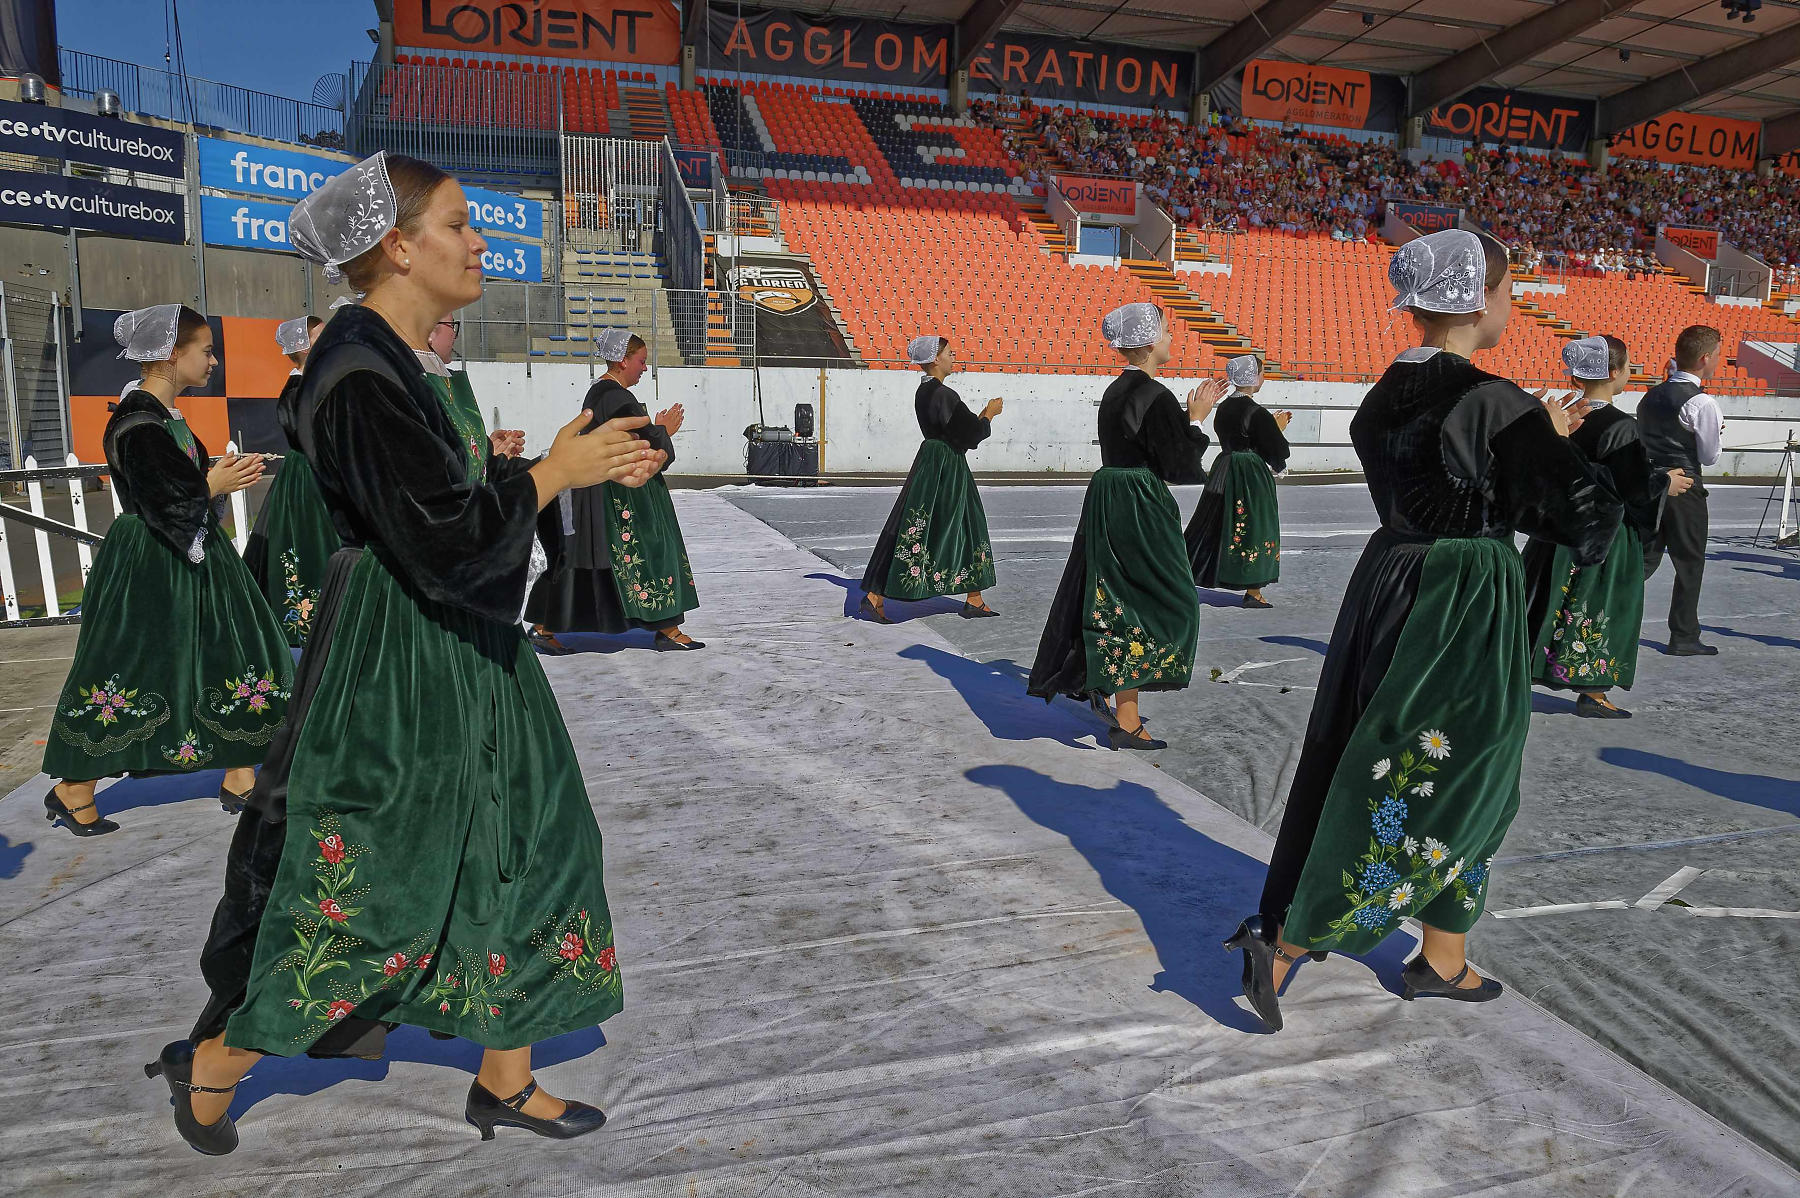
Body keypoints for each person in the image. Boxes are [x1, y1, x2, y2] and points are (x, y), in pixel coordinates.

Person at [156, 152, 667, 1154]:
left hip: (464, 644)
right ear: (399, 246)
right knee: (374, 888)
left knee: (533, 841)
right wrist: (555, 474)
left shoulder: (387, 359)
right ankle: (219, 1057)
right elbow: (446, 542)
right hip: (403, 658)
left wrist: (563, 459)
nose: (480, 241)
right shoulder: (354, 372)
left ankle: (507, 1075)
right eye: (460, 222)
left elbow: (444, 501)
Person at [1226, 230, 1622, 1031]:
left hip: (1390, 576)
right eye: (1509, 294)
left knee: (1369, 748)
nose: (1510, 307)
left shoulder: (1384, 396)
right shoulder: (1492, 399)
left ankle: (1441, 956)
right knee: (1467, 771)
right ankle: (1294, 939)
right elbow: (1585, 520)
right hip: (1463, 595)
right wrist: (1555, 442)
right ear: (1479, 300)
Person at [41, 305, 291, 832]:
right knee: (133, 664)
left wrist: (213, 476)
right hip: (154, 560)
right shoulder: (137, 423)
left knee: (228, 652)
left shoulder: (161, 418)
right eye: (205, 350)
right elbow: (166, 500)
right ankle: (74, 785)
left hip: (186, 553)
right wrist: (213, 485)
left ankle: (241, 771)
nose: (214, 360)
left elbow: (181, 483)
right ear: (172, 355)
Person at [1027, 303, 1226, 750]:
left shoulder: (1117, 391)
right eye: (1167, 332)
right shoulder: (1156, 397)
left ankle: (1124, 708)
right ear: (1151, 342)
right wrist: (1195, 421)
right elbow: (1180, 467)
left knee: (1117, 597)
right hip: (1139, 502)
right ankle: (1123, 709)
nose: (1172, 339)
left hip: (1108, 495)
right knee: (1170, 601)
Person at [1524, 336, 1693, 717]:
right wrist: (1666, 482)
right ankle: (1593, 692)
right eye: (1628, 366)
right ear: (1615, 373)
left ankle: (1520, 673)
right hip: (1604, 537)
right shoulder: (1620, 425)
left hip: (1554, 534)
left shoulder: (1564, 415)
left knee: (1543, 602)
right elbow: (1629, 487)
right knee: (1603, 606)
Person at [525, 328, 701, 652]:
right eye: (641, 361)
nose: (644, 368)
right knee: (652, 551)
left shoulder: (601, 393)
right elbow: (640, 440)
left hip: (605, 489)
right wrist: (665, 430)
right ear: (623, 360)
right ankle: (668, 629)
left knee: (589, 560)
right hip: (622, 494)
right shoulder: (617, 397)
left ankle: (544, 627)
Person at [859, 335, 1002, 624]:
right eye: (949, 352)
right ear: (935, 359)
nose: (953, 356)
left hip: (933, 460)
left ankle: (973, 597)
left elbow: (954, 429)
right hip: (947, 465)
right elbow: (970, 434)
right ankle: (877, 596)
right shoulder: (944, 394)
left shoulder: (923, 392)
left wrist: (975, 422)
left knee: (916, 524)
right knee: (962, 524)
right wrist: (988, 415)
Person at [243, 316, 337, 647]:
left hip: (318, 476)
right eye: (322, 336)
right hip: (308, 482)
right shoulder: (298, 390)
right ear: (302, 347)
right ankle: (309, 626)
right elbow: (313, 436)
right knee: (308, 548)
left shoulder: (317, 382)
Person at [1640, 324, 1725, 656]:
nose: (1719, 361)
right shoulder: (1702, 403)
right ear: (1705, 358)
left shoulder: (1651, 395)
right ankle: (1684, 635)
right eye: (1717, 355)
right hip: (1686, 487)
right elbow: (1709, 456)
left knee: (1644, 561)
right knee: (1689, 562)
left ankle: (1606, 617)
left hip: (1652, 485)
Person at [1184, 354, 1291, 608]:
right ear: (1254, 377)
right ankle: (1253, 591)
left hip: (1225, 466)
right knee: (1256, 524)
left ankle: (1190, 573)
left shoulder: (1224, 407)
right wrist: (1278, 428)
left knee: (1215, 521)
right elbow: (1277, 449)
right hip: (1249, 473)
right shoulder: (1256, 412)